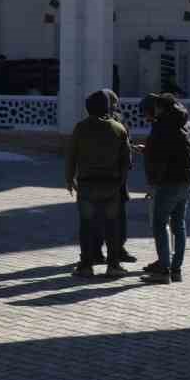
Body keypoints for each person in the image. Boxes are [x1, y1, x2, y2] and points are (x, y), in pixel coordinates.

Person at [63, 90, 132, 279]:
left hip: (86, 184)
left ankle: (86, 265)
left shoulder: (81, 128)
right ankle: (113, 265)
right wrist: (121, 181)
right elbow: (126, 160)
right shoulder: (118, 128)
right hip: (111, 185)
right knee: (112, 226)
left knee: (87, 225)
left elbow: (72, 155)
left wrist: (69, 179)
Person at [141, 94, 190, 284]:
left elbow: (159, 158)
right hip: (186, 181)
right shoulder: (186, 124)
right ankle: (176, 270)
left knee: (159, 224)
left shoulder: (163, 126)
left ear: (161, 107)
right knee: (179, 225)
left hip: (168, 183)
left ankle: (163, 271)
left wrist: (152, 183)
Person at [103, 89, 138, 264]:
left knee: (110, 214)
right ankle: (111, 253)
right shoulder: (110, 122)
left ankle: (112, 249)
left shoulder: (117, 120)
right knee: (111, 215)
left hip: (109, 175)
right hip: (112, 175)